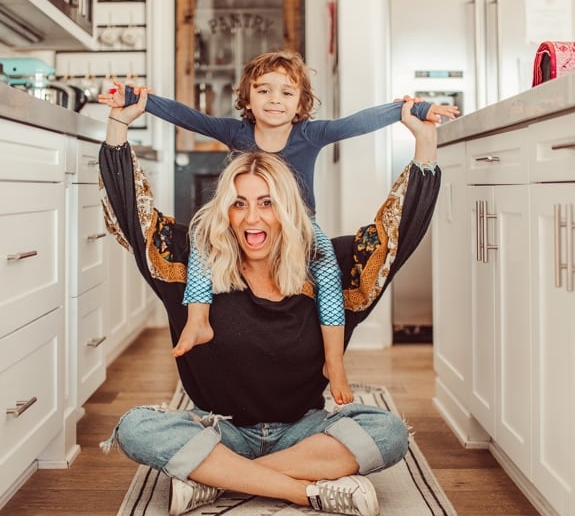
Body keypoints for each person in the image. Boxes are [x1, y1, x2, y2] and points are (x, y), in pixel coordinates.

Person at [99, 91, 441, 516]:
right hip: (220, 429)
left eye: (267, 204)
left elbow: (396, 232)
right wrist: (118, 126)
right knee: (137, 428)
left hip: (304, 432)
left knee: (389, 432)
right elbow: (134, 213)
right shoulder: (188, 265)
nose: (252, 218)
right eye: (239, 204)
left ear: (289, 210)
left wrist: (424, 142)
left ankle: (217, 479)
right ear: (225, 212)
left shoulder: (327, 267)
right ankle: (305, 491)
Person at [100, 50, 458, 405]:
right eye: (264, 90)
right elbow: (187, 116)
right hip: (236, 225)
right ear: (247, 98)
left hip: (302, 228)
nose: (275, 100)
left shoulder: (311, 134)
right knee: (199, 236)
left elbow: (355, 123)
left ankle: (333, 361)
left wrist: (408, 111)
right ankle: (198, 318)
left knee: (329, 270)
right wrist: (136, 101)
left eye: (286, 92)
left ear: (301, 101)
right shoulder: (234, 130)